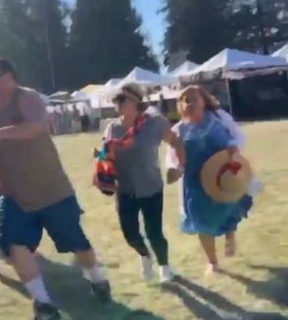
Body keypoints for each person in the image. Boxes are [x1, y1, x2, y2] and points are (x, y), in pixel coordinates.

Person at [0, 59, 111, 319]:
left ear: (10, 76)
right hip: (15, 194)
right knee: (13, 244)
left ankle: (98, 279)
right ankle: (44, 304)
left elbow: (37, 126)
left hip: (51, 189)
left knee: (76, 244)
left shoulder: (27, 97)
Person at [101, 83, 185, 283]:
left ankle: (164, 267)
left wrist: (180, 166)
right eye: (117, 100)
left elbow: (177, 142)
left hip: (151, 187)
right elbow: (106, 155)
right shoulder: (112, 128)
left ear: (137, 103)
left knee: (154, 231)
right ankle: (144, 256)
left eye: (123, 100)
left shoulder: (154, 123)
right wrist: (101, 159)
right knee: (130, 234)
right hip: (125, 190)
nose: (118, 104)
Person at [165, 86, 254, 275]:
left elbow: (237, 135)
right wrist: (175, 169)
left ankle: (230, 235)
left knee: (230, 208)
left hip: (224, 174)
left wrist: (233, 147)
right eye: (184, 100)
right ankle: (212, 262)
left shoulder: (220, 117)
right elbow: (173, 157)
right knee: (201, 222)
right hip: (195, 183)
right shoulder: (178, 130)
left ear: (204, 100)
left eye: (193, 99)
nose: (189, 103)